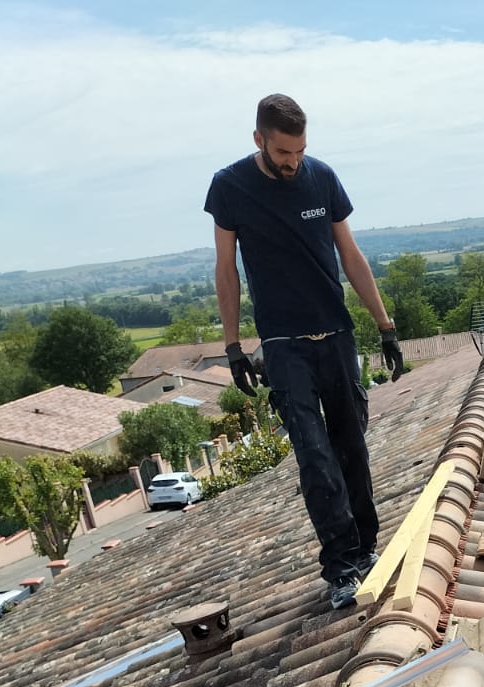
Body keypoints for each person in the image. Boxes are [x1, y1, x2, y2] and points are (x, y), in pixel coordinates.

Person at [205, 93, 403, 608]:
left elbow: (350, 253)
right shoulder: (229, 187)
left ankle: (367, 551)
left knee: (351, 450)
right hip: (283, 346)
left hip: (336, 337)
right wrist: (232, 346)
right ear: (259, 141)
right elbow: (227, 270)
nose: (293, 162)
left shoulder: (323, 177)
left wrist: (385, 326)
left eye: (300, 151)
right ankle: (340, 568)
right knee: (315, 460)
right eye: (283, 152)